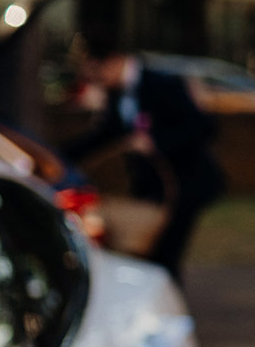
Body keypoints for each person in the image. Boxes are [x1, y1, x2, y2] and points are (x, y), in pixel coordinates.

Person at [62, 22, 228, 281]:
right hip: (154, 188)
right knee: (148, 252)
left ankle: (168, 308)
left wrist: (157, 141)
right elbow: (105, 136)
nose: (94, 79)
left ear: (114, 62)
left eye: (96, 71)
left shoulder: (162, 84)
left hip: (185, 183)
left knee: (165, 253)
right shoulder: (117, 94)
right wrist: (57, 159)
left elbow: (203, 127)